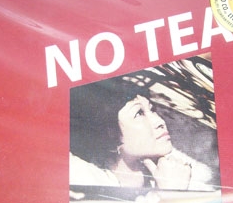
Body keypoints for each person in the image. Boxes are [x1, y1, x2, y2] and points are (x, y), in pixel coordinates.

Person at [69, 76, 213, 192]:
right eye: (139, 113)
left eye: (152, 110)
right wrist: (171, 192)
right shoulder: (86, 183)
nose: (160, 121)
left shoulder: (180, 171)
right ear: (110, 134)